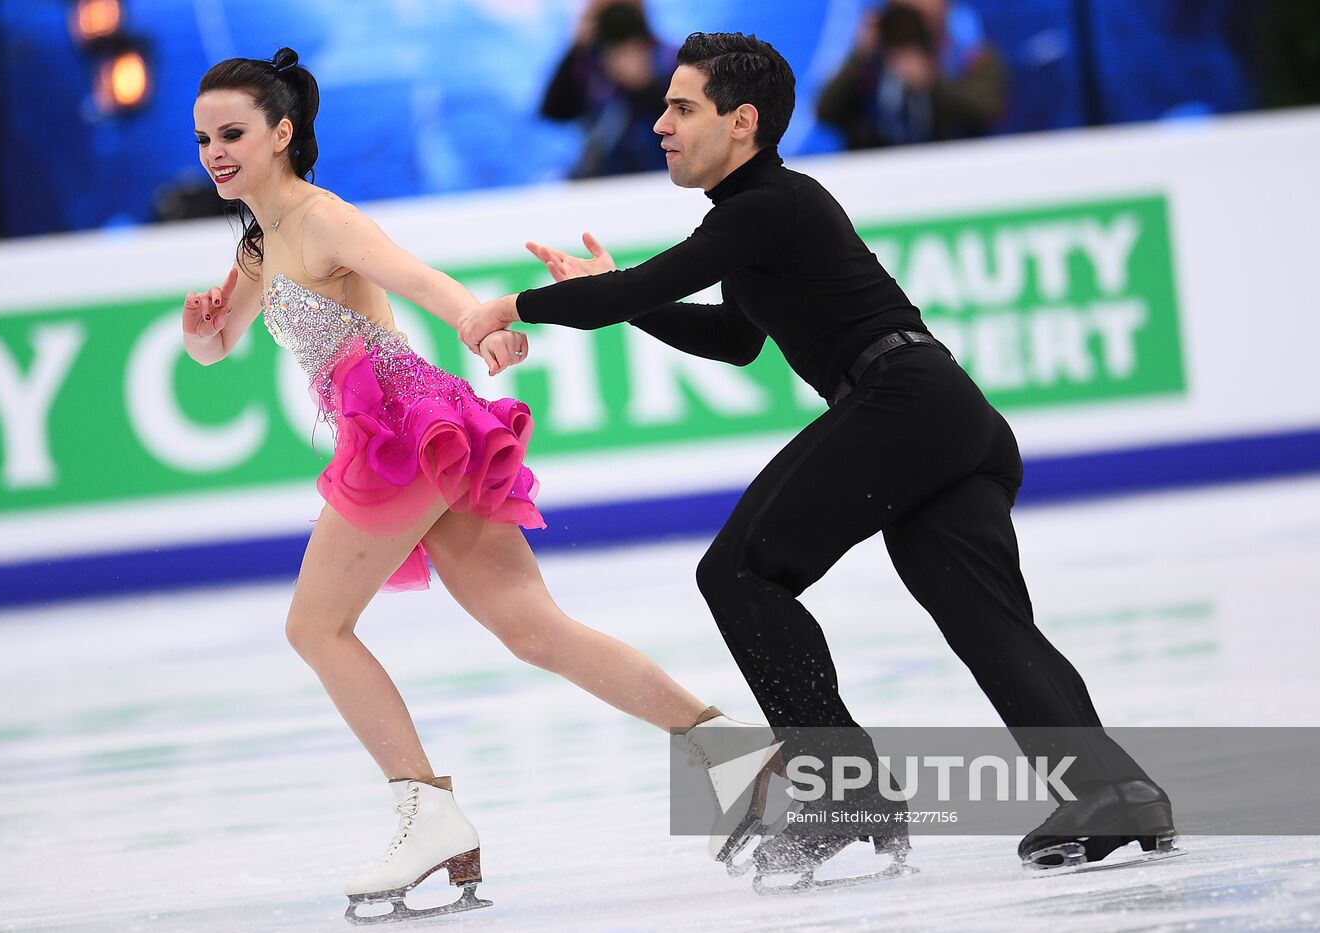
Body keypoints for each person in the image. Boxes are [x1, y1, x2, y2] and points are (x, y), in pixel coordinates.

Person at [459, 32, 1177, 884]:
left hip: (903, 402)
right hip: (945, 414)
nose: (660, 124)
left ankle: (843, 790)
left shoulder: (768, 205)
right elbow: (735, 340)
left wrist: (512, 304)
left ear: (742, 121)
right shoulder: (758, 215)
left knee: (739, 572)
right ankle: (1112, 791)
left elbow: (645, 286)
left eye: (682, 107)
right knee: (985, 619)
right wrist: (618, 294)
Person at [185, 47, 741, 921]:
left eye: (233, 134)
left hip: (402, 436)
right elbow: (217, 346)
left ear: (282, 133)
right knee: (533, 627)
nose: (215, 153)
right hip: (417, 436)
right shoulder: (258, 244)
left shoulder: (322, 218)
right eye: (205, 139)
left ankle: (426, 810)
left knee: (315, 626)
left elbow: (417, 277)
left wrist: (481, 326)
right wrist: (201, 330)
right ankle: (734, 755)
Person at [816, 0, 1006, 149]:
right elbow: (825, 112)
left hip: (952, 166)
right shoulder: (869, 62)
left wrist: (930, 83)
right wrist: (860, 55)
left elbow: (986, 111)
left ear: (945, 5)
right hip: (877, 169)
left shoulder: (968, 56)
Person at [539, 0, 674, 178]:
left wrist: (645, 85)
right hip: (603, 179)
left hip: (663, 177)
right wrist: (576, 47)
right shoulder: (587, 65)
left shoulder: (670, 59)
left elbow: (686, 121)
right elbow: (553, 112)